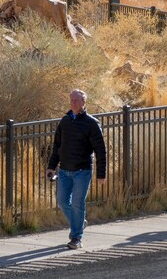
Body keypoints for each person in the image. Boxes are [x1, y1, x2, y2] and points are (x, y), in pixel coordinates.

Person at [46, 89, 107, 249]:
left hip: (82, 171)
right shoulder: (65, 121)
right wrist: (51, 166)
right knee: (62, 202)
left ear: (83, 103)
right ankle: (79, 222)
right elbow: (57, 146)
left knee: (77, 204)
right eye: (71, 100)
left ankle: (76, 238)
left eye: (76, 101)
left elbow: (100, 150)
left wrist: (101, 174)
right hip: (64, 171)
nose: (73, 103)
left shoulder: (91, 123)